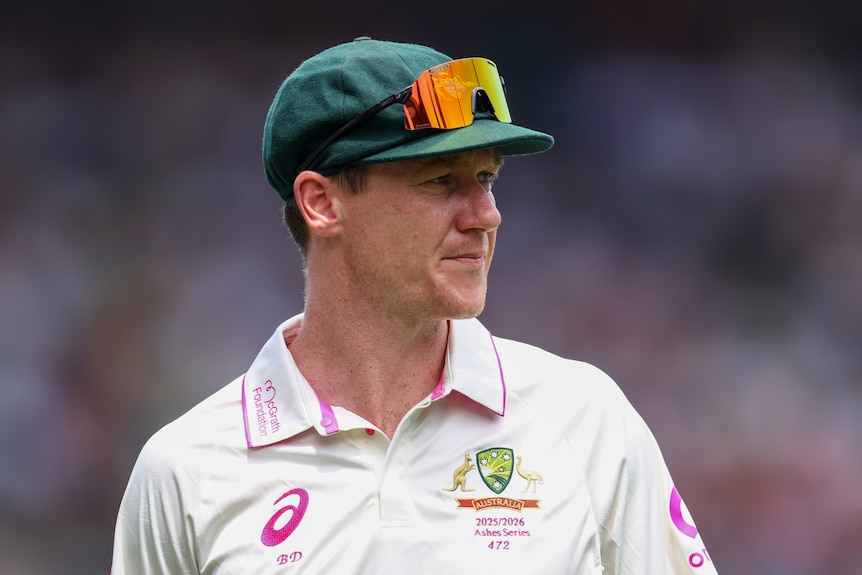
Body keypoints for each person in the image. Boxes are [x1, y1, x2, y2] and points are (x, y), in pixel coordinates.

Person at [111, 37, 718, 574]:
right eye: (439, 182)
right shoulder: (184, 470)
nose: (486, 215)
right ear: (322, 204)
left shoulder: (584, 420)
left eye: (487, 177)